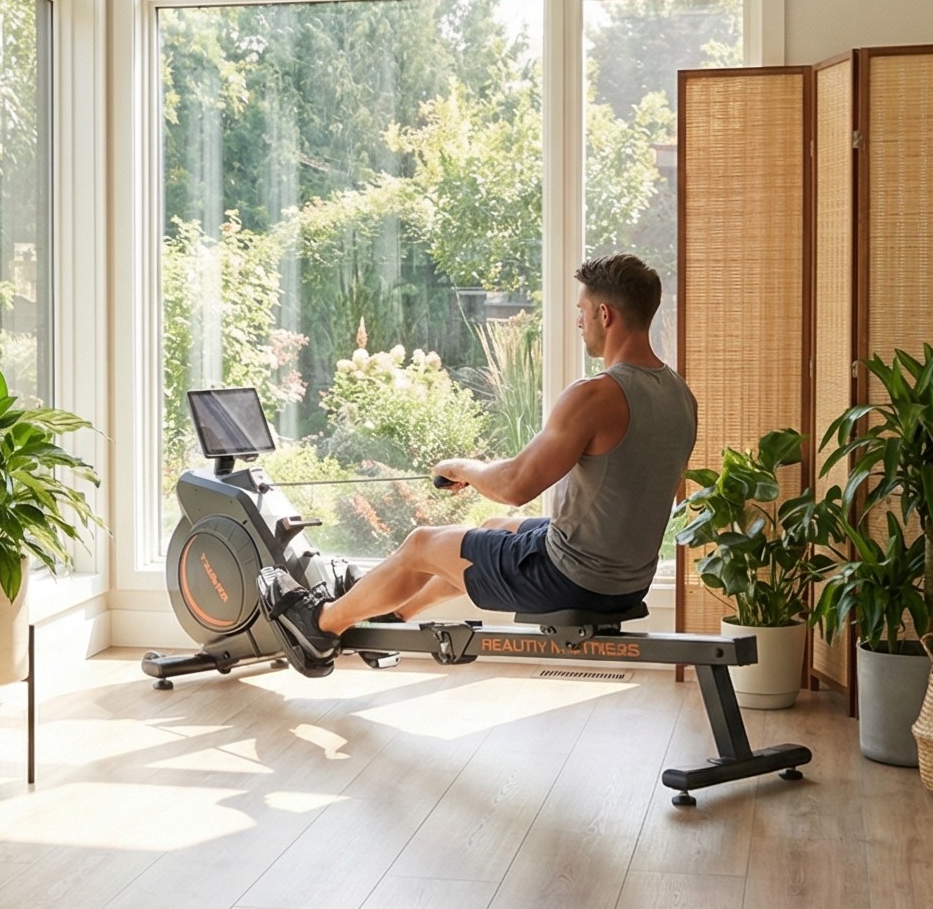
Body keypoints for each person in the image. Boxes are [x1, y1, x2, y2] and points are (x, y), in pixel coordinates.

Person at [259, 252, 698, 675]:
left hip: (572, 578)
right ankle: (392, 614)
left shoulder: (597, 394)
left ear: (605, 314)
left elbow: (515, 485)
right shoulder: (680, 396)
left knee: (421, 544)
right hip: (626, 581)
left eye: (581, 311)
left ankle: (319, 626)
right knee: (492, 527)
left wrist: (462, 468)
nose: (579, 322)